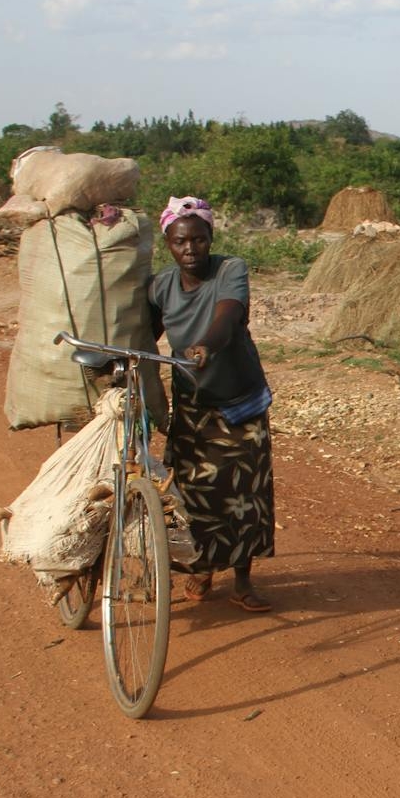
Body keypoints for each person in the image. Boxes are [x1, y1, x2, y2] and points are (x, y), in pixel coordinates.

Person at [149, 195, 276, 609]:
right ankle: (201, 570)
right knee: (194, 492)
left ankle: (242, 580)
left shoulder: (230, 269)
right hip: (192, 402)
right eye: (180, 242)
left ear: (210, 238)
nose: (190, 250)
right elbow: (144, 335)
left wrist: (207, 344)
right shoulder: (161, 286)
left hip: (239, 400)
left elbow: (228, 313)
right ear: (167, 243)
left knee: (246, 493)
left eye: (199, 240)